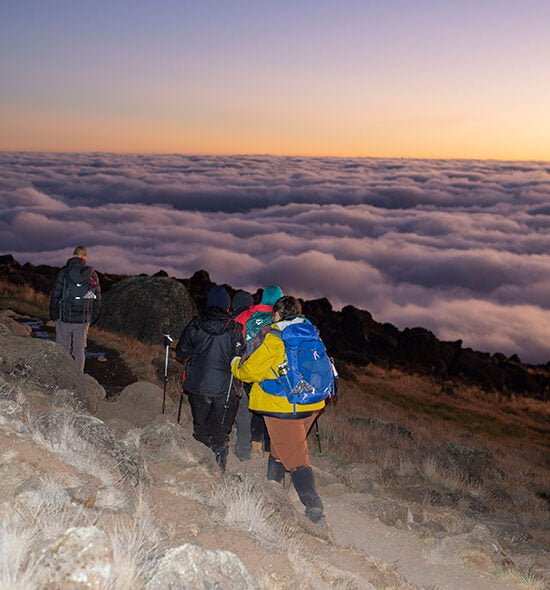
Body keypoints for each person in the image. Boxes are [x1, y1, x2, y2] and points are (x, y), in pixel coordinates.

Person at [231, 296, 327, 525]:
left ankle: (315, 510)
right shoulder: (310, 331)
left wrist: (235, 364)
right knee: (280, 446)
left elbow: (250, 372)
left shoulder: (274, 337)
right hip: (312, 403)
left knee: (295, 457)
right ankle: (273, 489)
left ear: (277, 314)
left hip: (283, 406)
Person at [176, 285, 244, 471]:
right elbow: (240, 358)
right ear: (227, 306)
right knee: (220, 434)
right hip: (225, 388)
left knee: (200, 429)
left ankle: (200, 469)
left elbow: (181, 352)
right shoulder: (235, 328)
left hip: (198, 386)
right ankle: (218, 471)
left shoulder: (195, 324)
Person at [233, 285, 284, 459]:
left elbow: (234, 337)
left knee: (249, 407)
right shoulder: (280, 319)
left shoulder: (246, 315)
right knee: (268, 408)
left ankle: (252, 442)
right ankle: (268, 447)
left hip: (247, 369)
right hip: (270, 372)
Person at [49, 246, 101, 372]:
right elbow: (96, 298)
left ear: (74, 256)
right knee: (79, 350)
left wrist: (54, 314)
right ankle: (78, 378)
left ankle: (62, 375)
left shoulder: (64, 273)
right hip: (83, 319)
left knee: (62, 348)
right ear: (85, 257)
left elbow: (56, 295)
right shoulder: (92, 274)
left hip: (65, 316)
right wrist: (91, 317)